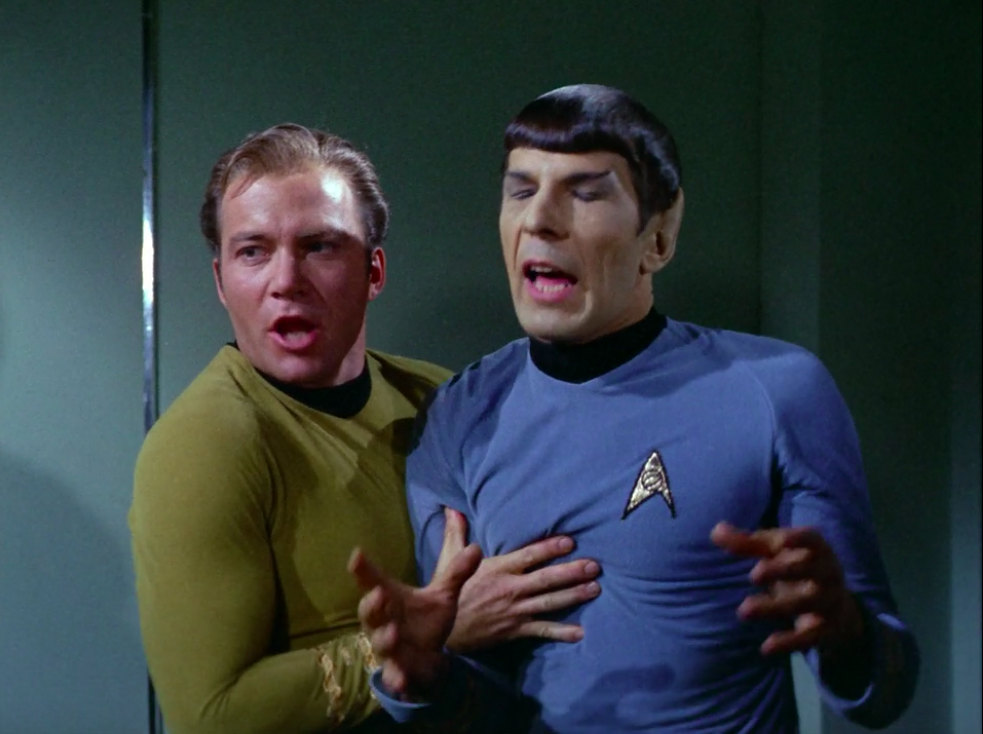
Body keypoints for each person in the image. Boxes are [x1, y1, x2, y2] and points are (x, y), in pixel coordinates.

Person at [352, 84, 921, 733]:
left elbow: (885, 694)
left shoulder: (779, 391)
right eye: (521, 190)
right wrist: (426, 674)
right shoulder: (456, 419)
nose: (540, 219)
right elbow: (482, 712)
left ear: (658, 236)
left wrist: (845, 628)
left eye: (585, 193)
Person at [128, 123, 601, 734]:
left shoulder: (441, 400)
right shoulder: (205, 445)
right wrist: (433, 637)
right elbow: (212, 716)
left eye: (319, 246)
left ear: (374, 271)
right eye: (253, 252)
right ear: (221, 282)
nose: (285, 280)